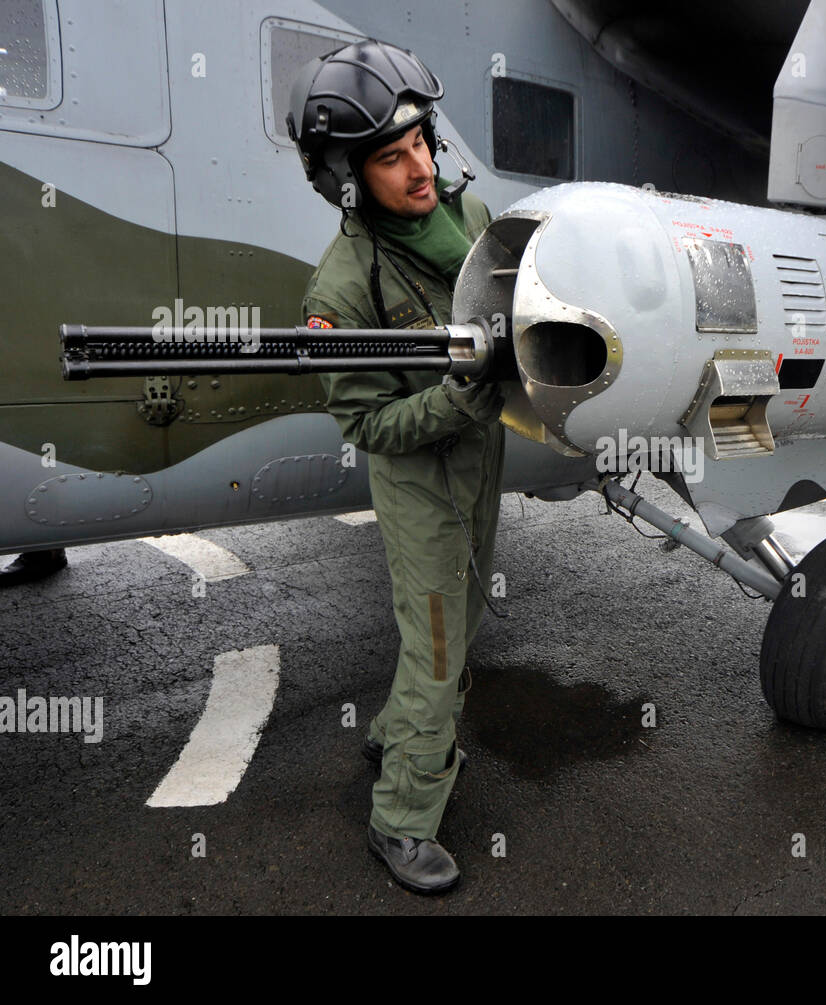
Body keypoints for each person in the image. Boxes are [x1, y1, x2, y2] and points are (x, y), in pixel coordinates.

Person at [286, 39, 505, 894]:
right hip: (421, 481)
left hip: (482, 459)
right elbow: (367, 423)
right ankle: (402, 819)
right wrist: (460, 396)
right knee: (441, 653)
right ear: (348, 178)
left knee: (462, 614)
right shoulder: (340, 292)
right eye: (390, 155)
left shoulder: (473, 218)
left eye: (420, 140)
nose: (418, 166)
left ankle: (391, 730)